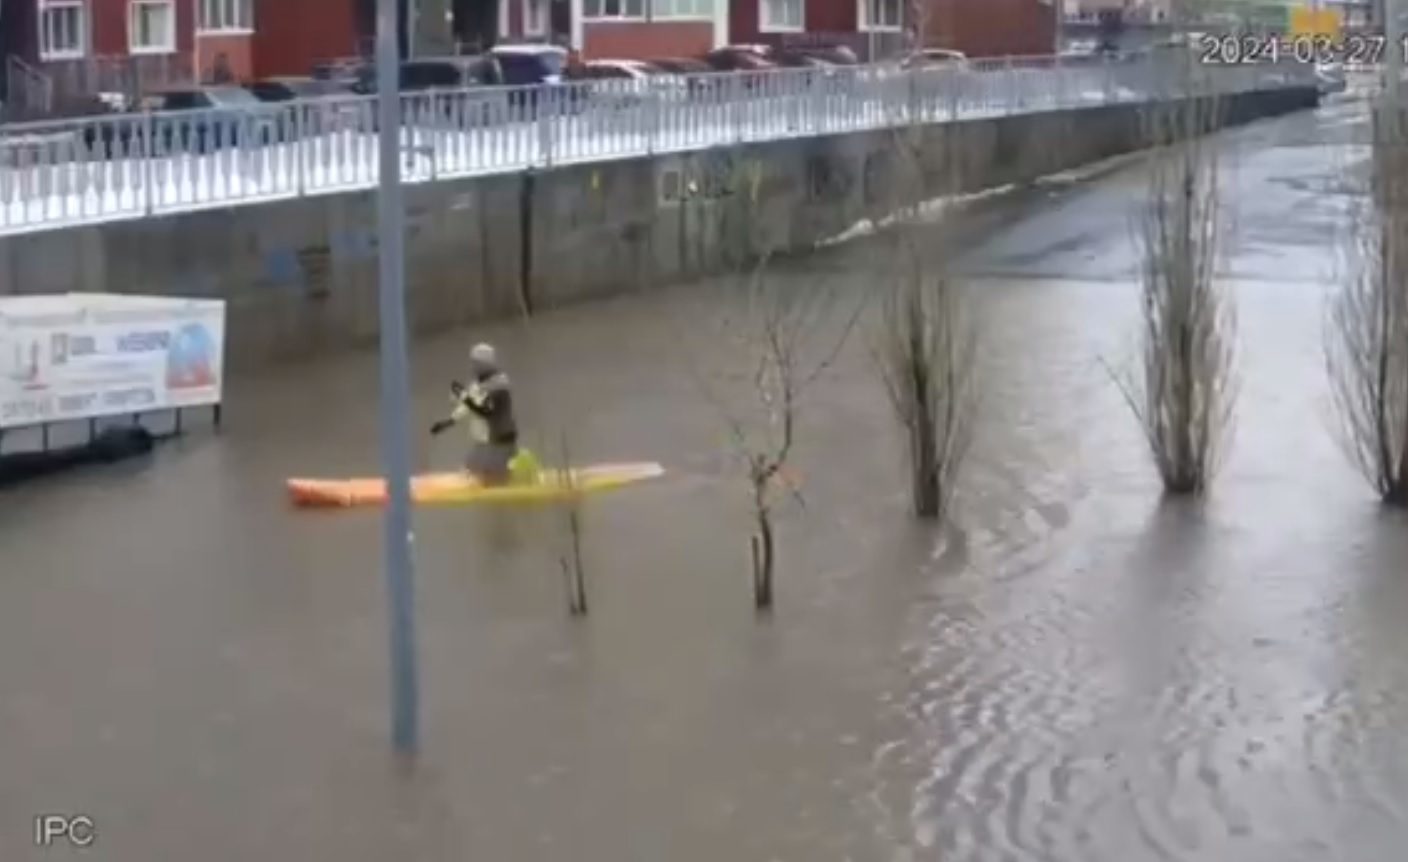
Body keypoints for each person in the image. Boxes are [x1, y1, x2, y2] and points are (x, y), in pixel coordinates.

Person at [430, 343, 521, 485]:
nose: (471, 367)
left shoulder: (499, 384)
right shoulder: (479, 384)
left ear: (484, 364)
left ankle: (506, 482)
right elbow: (468, 407)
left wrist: (464, 396)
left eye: (475, 363)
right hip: (488, 441)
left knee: (480, 476)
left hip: (501, 440)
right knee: (470, 472)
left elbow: (483, 408)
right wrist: (448, 422)